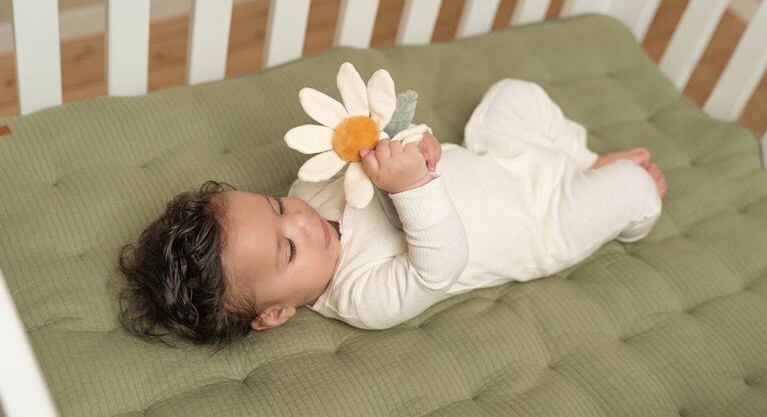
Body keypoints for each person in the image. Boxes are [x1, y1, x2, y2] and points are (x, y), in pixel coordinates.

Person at [118, 78, 667, 347]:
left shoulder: (310, 187)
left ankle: (582, 160)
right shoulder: (361, 297)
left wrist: (417, 146)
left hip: (496, 158)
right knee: (635, 185)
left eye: (276, 206)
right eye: (288, 250)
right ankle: (604, 189)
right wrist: (412, 186)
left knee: (510, 95)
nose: (302, 220)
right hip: (543, 221)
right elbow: (441, 265)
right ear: (276, 312)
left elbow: (391, 151)